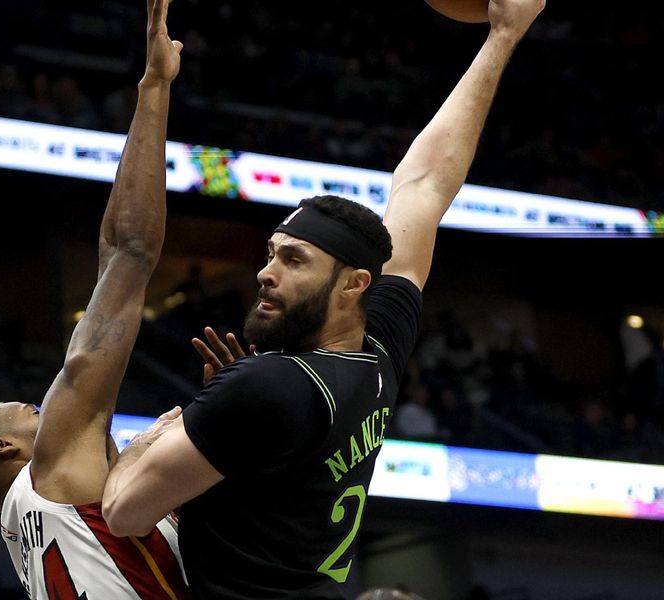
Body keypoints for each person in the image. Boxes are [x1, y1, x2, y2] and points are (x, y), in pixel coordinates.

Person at [101, 0, 546, 597]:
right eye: (270, 253)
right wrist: (503, 34)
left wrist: (155, 433)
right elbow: (424, 184)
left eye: (292, 260)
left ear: (354, 283)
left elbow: (123, 510)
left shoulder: (271, 386)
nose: (264, 273)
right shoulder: (375, 349)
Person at [0, 1, 189, 598]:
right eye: (29, 411)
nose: (45, 411)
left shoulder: (45, 525)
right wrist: (154, 88)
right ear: (3, 447)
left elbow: (114, 261)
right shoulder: (52, 473)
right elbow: (130, 253)